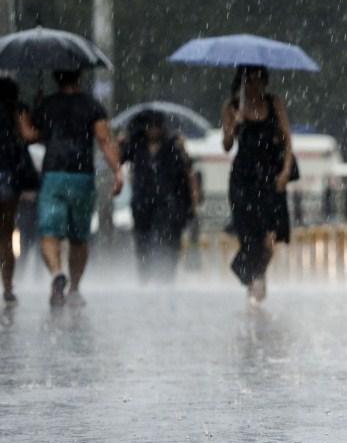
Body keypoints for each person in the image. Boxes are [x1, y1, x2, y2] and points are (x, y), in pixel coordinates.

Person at [33, 69, 123, 306]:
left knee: (49, 233)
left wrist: (36, 107)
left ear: (56, 78)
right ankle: (74, 288)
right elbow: (104, 140)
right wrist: (118, 171)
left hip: (53, 174)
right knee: (78, 237)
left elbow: (32, 135)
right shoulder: (92, 106)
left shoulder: (48, 105)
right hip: (82, 176)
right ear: (79, 77)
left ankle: (56, 272)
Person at [221, 65, 293, 302]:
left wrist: (285, 172)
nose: (254, 87)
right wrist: (235, 123)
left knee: (270, 238)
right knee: (248, 234)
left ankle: (252, 274)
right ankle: (255, 283)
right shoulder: (232, 107)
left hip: (270, 179)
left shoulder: (274, 104)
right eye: (249, 82)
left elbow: (287, 140)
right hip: (243, 180)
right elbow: (227, 145)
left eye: (258, 81)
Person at [120, 110, 198, 283]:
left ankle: (167, 276)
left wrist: (193, 202)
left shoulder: (173, 146)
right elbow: (120, 158)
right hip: (143, 202)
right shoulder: (136, 146)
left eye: (157, 125)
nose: (153, 130)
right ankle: (145, 276)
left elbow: (188, 171)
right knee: (143, 241)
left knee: (169, 240)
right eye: (150, 126)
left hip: (169, 202)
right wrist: (122, 140)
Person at [0, 77, 40, 304]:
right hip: (9, 177)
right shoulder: (19, 111)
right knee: (6, 234)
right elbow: (29, 136)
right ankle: (7, 287)